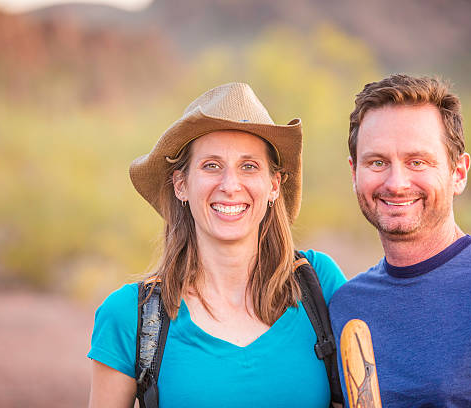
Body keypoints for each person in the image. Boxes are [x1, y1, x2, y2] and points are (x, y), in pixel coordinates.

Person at [87, 82, 346, 407]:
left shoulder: (319, 284)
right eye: (211, 166)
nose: (230, 185)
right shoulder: (130, 316)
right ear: (181, 185)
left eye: (249, 166)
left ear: (274, 185)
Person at [328, 74, 471, 407]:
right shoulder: (346, 307)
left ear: (459, 173)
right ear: (354, 173)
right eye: (378, 162)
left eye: (417, 162)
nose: (396, 183)